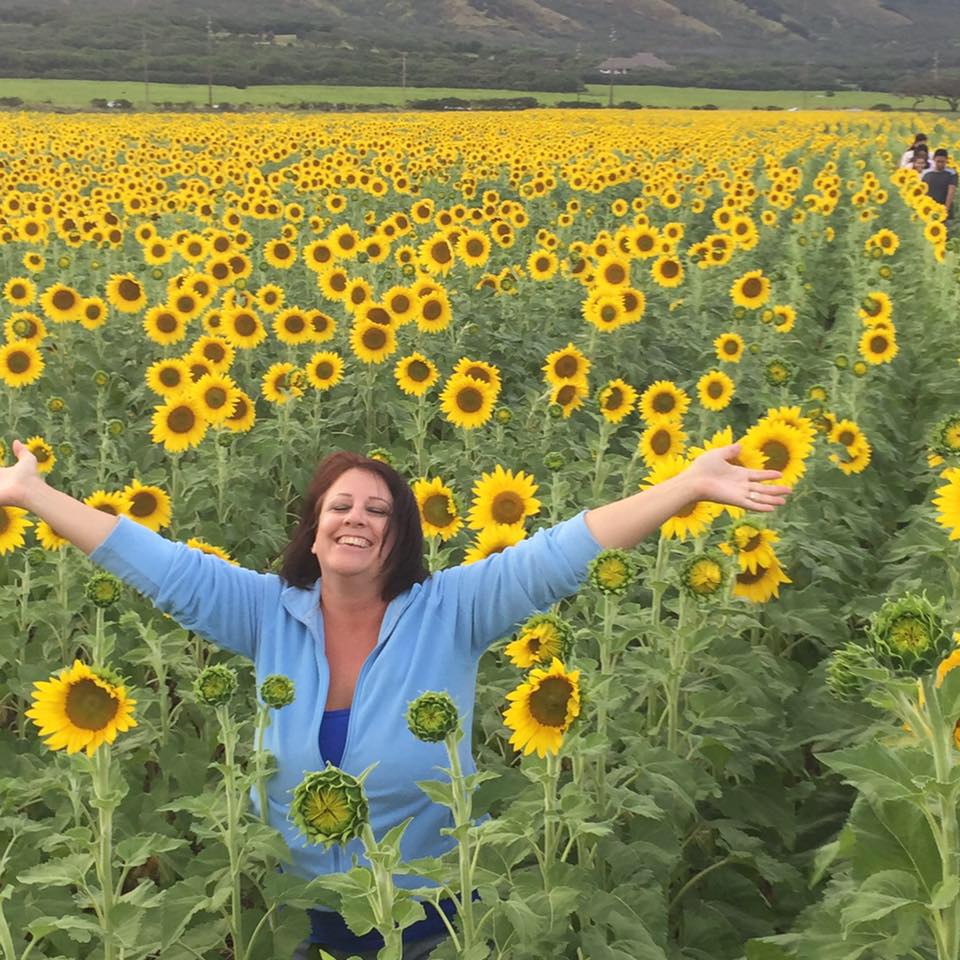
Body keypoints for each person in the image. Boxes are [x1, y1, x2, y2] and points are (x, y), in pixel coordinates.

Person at [0, 439, 790, 959]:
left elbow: (564, 549)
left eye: (378, 510)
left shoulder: (452, 611)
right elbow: (153, 561)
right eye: (340, 505)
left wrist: (685, 485)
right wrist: (34, 496)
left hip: (437, 919)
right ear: (314, 531)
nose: (356, 518)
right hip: (304, 914)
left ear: (398, 538)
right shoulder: (266, 613)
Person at [923, 148, 957, 223]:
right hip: (928, 211)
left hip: (946, 212)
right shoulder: (925, 173)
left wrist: (945, 211)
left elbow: (951, 192)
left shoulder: (951, 173)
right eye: (938, 161)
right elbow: (922, 192)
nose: (940, 164)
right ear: (933, 159)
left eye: (943, 162)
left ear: (946, 160)